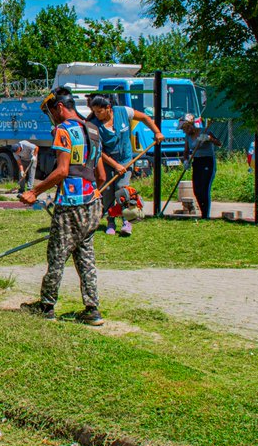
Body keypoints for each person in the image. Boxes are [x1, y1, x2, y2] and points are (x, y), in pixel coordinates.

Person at [18, 92, 107, 326]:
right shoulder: (94, 131)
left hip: (70, 205)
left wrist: (33, 192)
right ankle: (92, 308)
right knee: (85, 257)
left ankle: (46, 306)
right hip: (92, 204)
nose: (51, 118)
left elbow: (62, 171)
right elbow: (101, 175)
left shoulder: (64, 130)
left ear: (59, 107)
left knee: (57, 255)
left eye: (50, 112)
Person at [87, 96, 163, 237]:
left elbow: (145, 118)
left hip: (126, 160)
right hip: (108, 162)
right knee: (108, 193)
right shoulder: (93, 125)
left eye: (99, 111)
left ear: (108, 108)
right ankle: (110, 221)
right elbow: (99, 151)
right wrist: (115, 165)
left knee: (122, 190)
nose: (97, 114)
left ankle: (126, 221)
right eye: (95, 111)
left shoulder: (123, 111)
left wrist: (157, 132)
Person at [180, 115, 221, 219]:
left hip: (207, 161)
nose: (184, 131)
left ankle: (205, 215)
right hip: (197, 162)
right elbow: (186, 151)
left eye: (184, 128)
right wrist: (186, 161)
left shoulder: (205, 131)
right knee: (197, 189)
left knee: (204, 188)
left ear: (190, 126)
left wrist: (209, 138)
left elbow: (219, 143)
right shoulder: (188, 137)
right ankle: (203, 212)